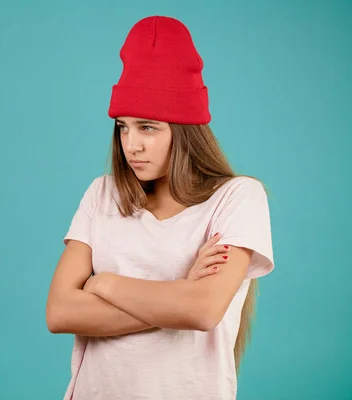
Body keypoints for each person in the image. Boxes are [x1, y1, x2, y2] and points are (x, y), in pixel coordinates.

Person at [45, 15, 274, 400]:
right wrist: (180, 291)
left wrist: (105, 284)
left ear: (185, 131)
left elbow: (202, 311)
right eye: (122, 127)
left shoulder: (237, 197)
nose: (131, 144)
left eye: (148, 127)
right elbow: (60, 312)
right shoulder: (103, 194)